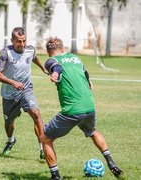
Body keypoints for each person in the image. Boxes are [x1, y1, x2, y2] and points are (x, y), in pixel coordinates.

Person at [40, 37, 124, 179]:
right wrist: (88, 81)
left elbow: (57, 67)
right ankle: (111, 162)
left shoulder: (50, 61)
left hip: (72, 110)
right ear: (62, 48)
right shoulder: (75, 58)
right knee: (92, 132)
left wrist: (55, 73)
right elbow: (85, 72)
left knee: (45, 138)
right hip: (89, 106)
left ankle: (55, 176)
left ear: (49, 52)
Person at [0, 27, 47, 159]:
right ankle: (11, 140)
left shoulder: (30, 49)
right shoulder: (6, 53)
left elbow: (34, 57)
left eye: (24, 41)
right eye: (18, 41)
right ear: (12, 40)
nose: (22, 44)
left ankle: (43, 148)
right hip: (9, 95)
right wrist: (13, 82)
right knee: (9, 123)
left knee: (36, 113)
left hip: (26, 89)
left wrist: (43, 68)